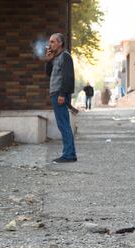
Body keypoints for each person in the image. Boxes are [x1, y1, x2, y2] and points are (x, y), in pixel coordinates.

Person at [45, 33, 77, 163]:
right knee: (62, 124)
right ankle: (70, 153)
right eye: (50, 41)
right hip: (56, 94)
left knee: (63, 124)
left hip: (60, 94)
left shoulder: (65, 56)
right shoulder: (56, 57)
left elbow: (68, 77)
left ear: (60, 43)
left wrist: (62, 94)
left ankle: (69, 154)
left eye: (53, 42)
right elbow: (49, 74)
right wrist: (48, 60)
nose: (50, 44)